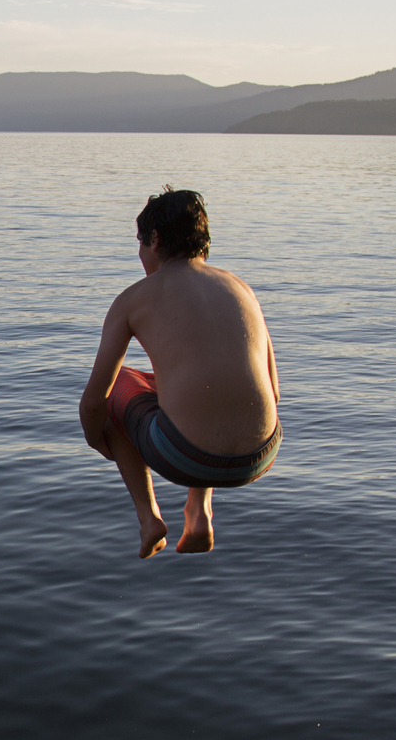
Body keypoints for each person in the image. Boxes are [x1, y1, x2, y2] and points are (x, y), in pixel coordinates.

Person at [79, 187, 281, 558]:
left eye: (140, 243)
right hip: (262, 453)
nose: (139, 255)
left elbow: (94, 402)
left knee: (116, 386)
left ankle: (148, 517)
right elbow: (274, 390)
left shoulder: (135, 298)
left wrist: (100, 439)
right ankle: (199, 510)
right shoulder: (241, 288)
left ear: (154, 239)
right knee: (188, 386)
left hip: (185, 457)